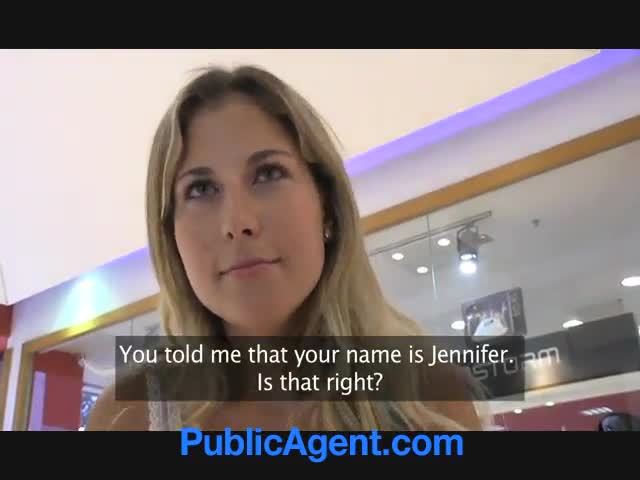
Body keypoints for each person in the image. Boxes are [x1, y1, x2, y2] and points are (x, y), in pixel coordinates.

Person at [87, 64, 487, 432]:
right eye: (201, 189)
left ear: (327, 206)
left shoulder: (430, 402)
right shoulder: (128, 417)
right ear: (170, 236)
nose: (237, 222)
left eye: (268, 174)